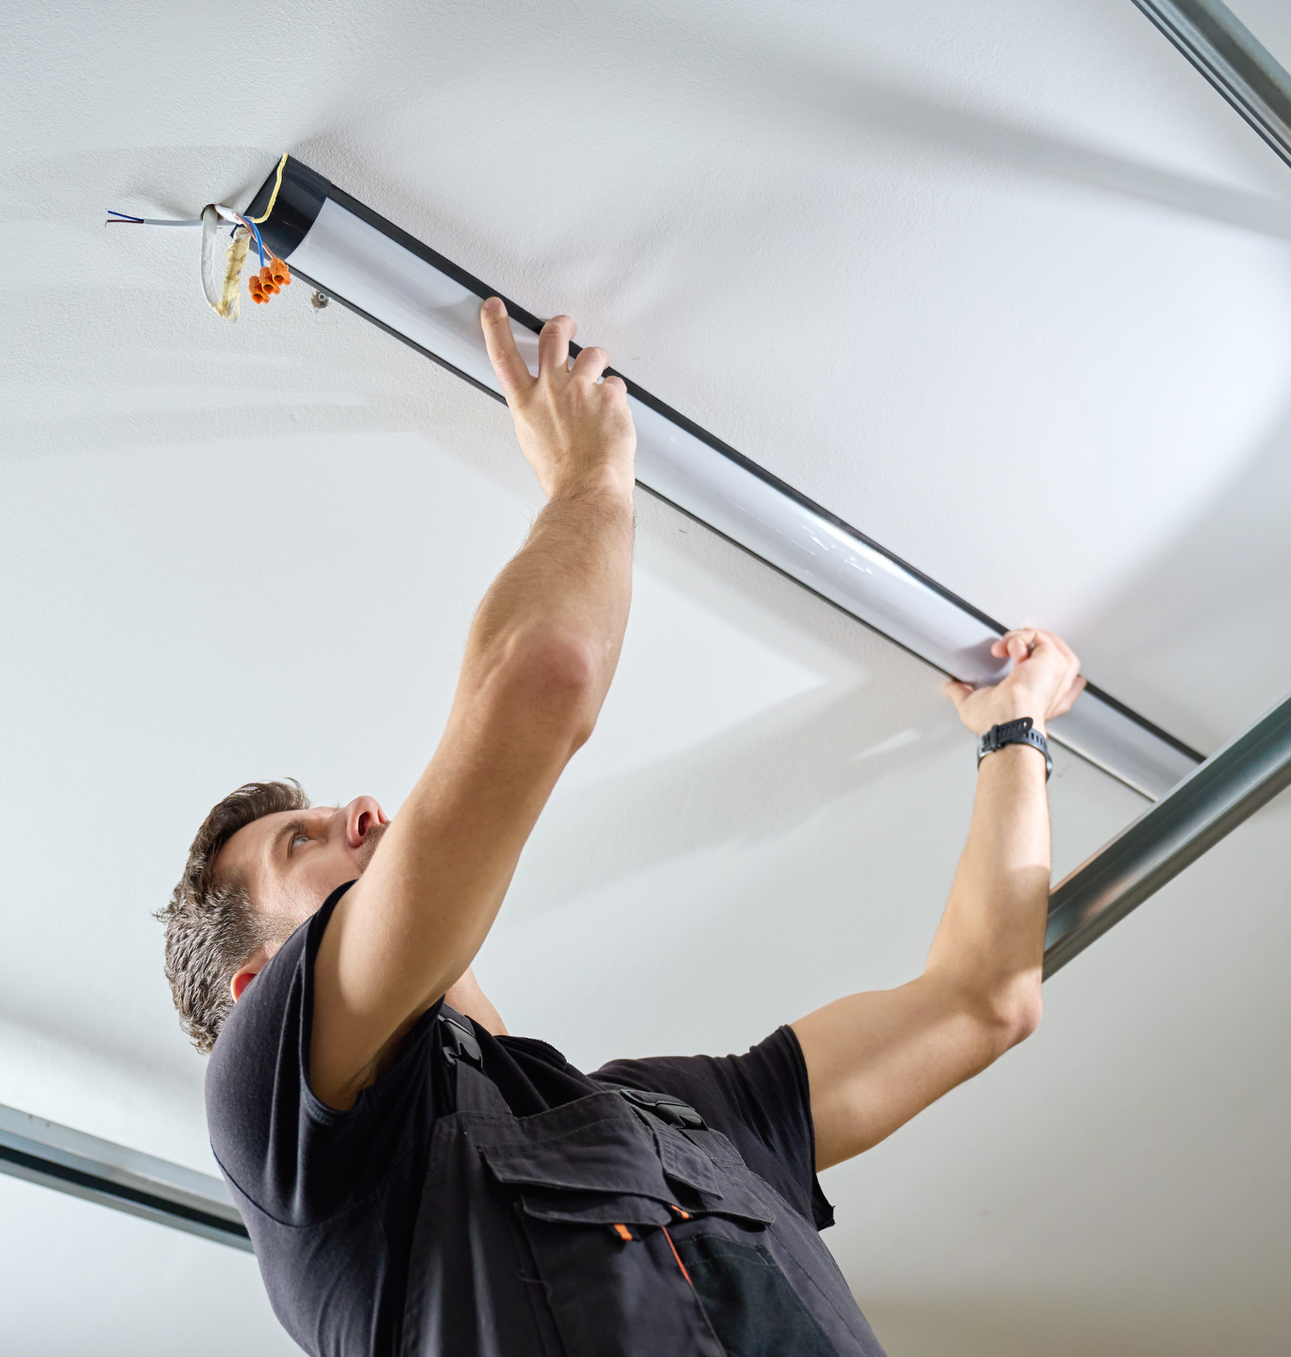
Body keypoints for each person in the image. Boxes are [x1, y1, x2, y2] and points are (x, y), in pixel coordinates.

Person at [157, 298, 1086, 1357]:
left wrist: (1015, 731)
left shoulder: (682, 1113)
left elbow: (984, 1001)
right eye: (303, 842)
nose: (361, 809)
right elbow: (545, 675)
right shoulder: (278, 1129)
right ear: (261, 990)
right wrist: (589, 476)